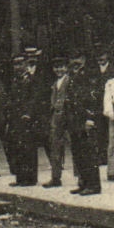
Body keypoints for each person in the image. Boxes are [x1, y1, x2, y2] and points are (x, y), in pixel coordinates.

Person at [6, 51, 49, 186]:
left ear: (26, 64)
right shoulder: (14, 80)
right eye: (15, 64)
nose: (17, 67)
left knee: (28, 148)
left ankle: (30, 178)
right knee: (17, 148)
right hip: (15, 119)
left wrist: (28, 113)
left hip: (28, 119)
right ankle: (20, 177)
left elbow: (34, 99)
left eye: (20, 64)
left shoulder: (32, 79)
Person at [65, 52, 103, 195]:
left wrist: (90, 118)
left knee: (88, 153)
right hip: (74, 120)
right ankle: (83, 182)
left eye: (78, 58)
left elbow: (94, 98)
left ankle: (93, 185)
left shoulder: (90, 74)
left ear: (83, 59)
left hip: (85, 118)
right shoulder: (72, 74)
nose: (74, 60)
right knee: (78, 153)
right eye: (72, 58)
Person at [45, 57, 72, 188]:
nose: (59, 70)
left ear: (66, 68)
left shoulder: (70, 81)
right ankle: (56, 177)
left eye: (61, 67)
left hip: (69, 116)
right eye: (56, 67)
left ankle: (81, 178)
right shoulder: (55, 82)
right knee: (55, 147)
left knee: (75, 146)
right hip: (56, 117)